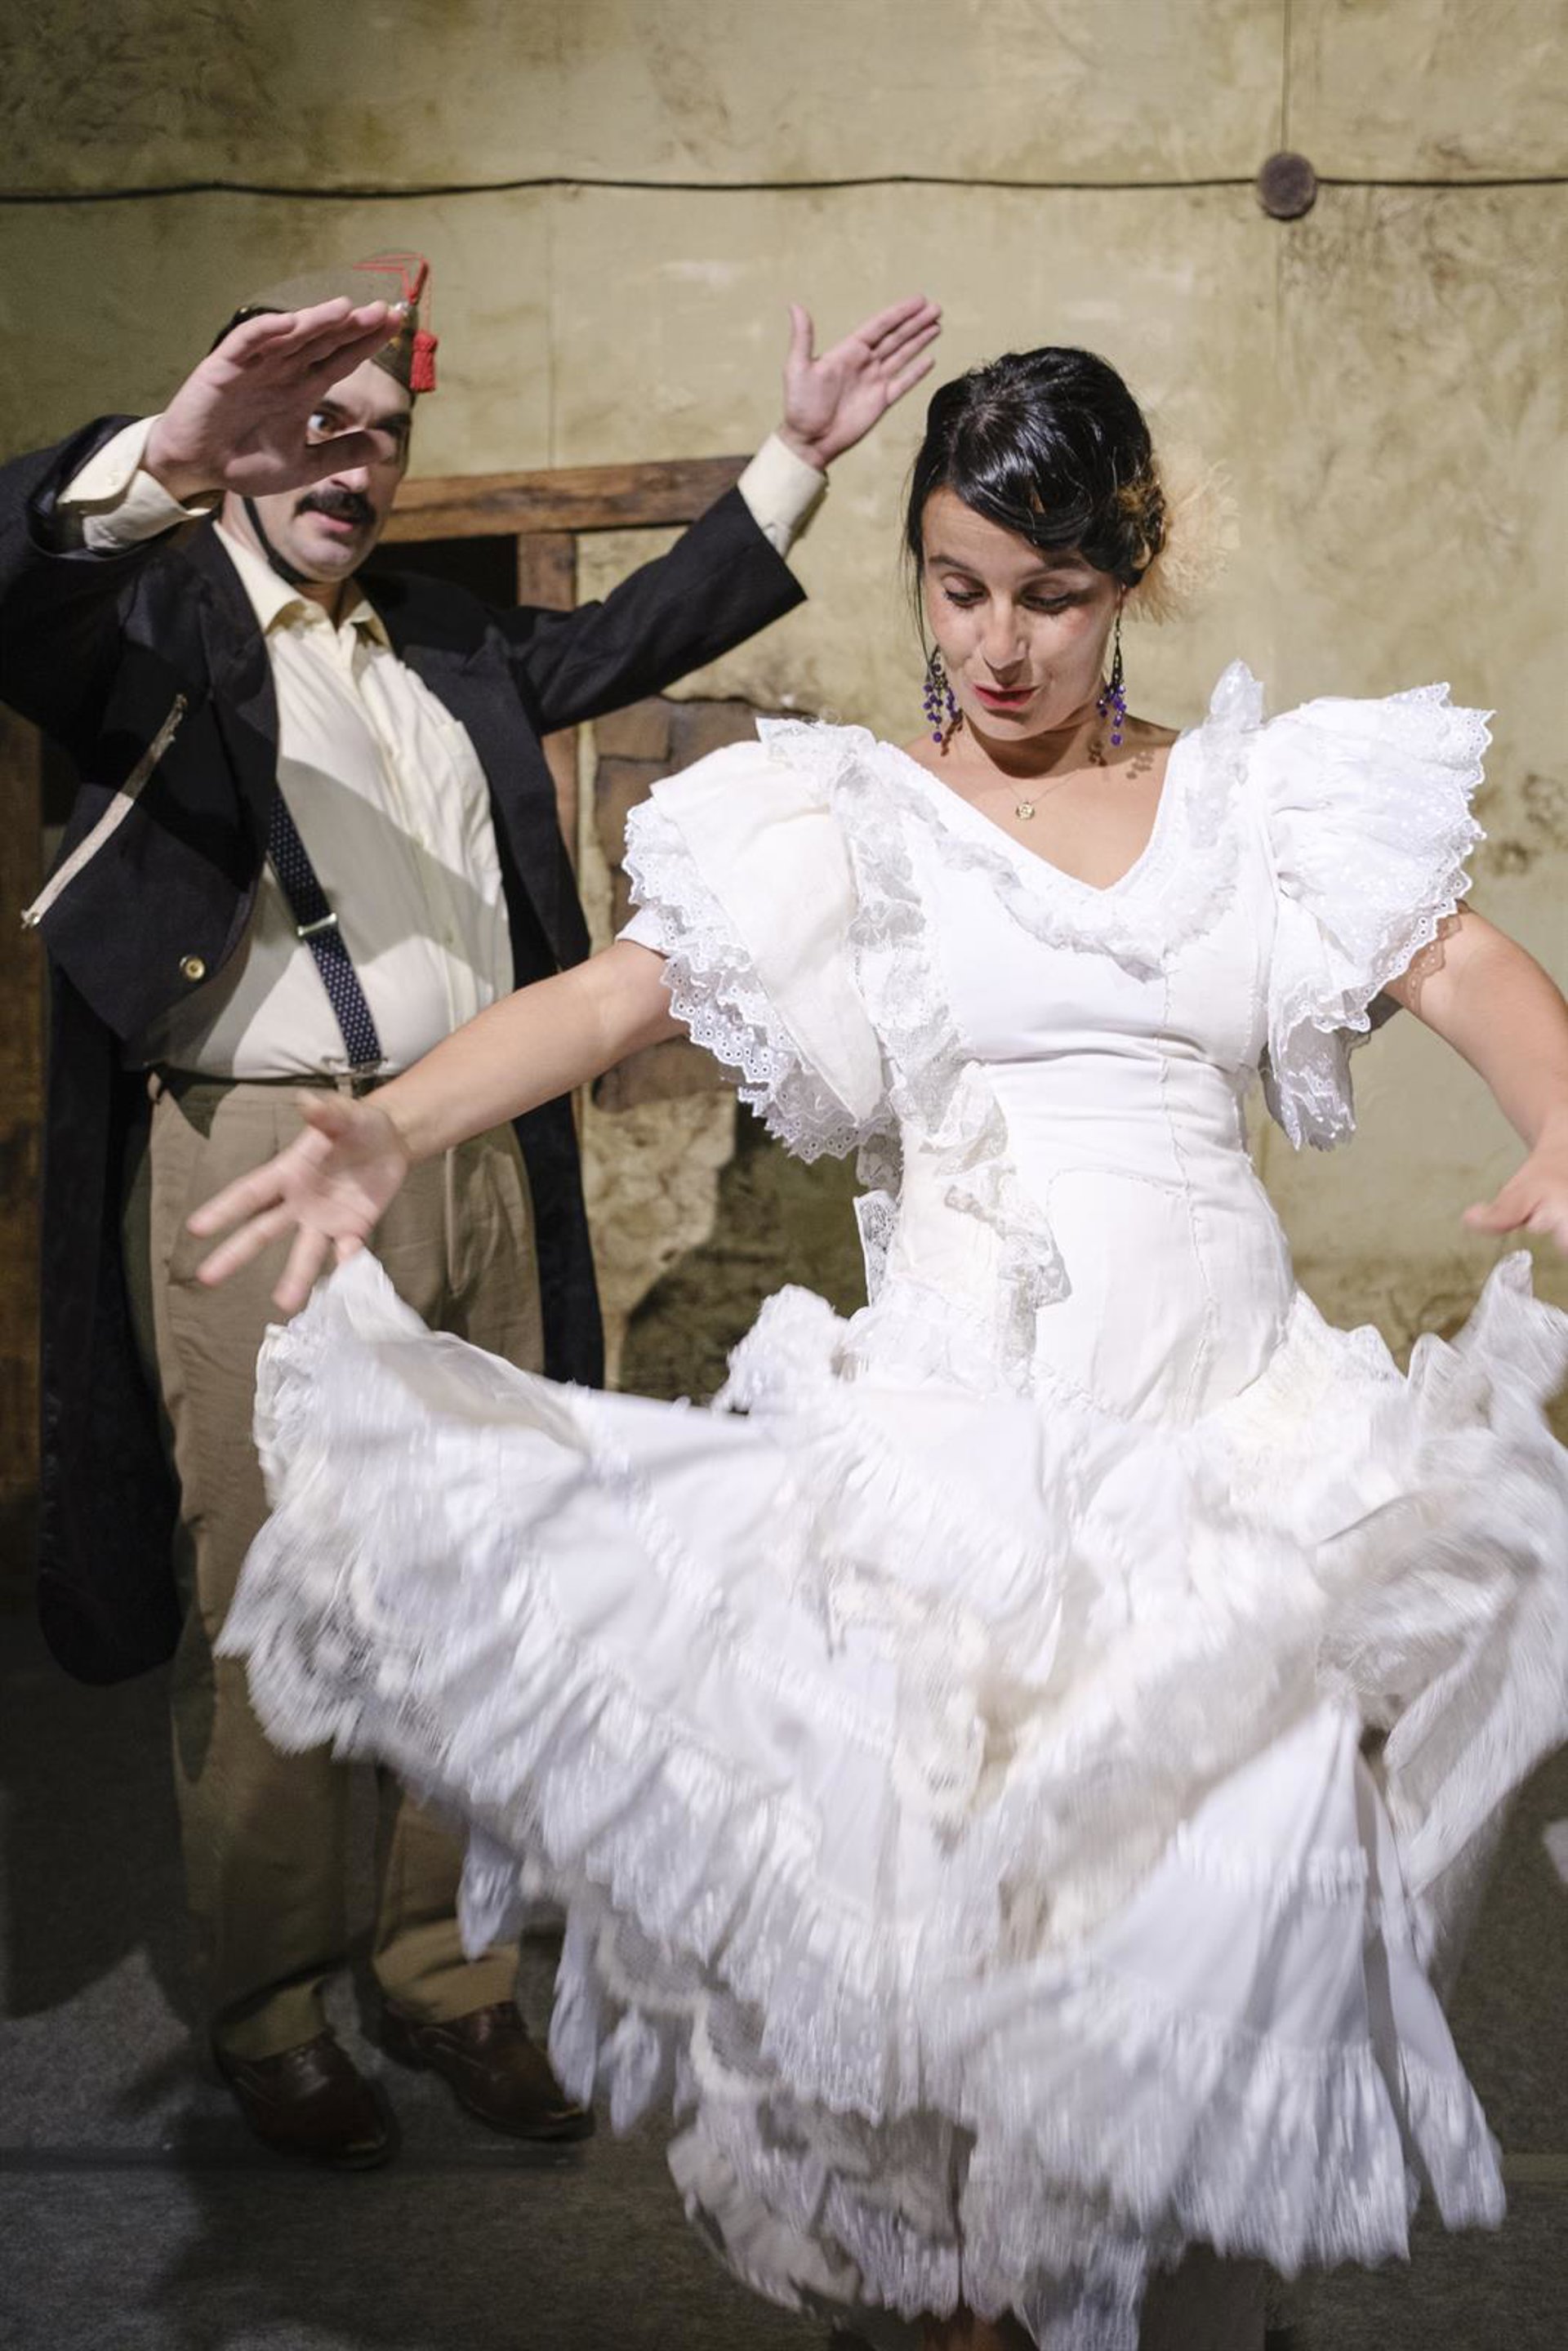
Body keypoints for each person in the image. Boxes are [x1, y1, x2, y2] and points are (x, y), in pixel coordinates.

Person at [191, 346, 1568, 2347]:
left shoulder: (1258, 805)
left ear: (1133, 572)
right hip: (951, 1481)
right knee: (943, 2038)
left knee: (1177, 2008)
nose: (998, 644)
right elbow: (621, 996)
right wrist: (395, 1126)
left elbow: (1465, 963)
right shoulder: (848, 820)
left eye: (1051, 596)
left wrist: (1563, 1107)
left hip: (1226, 1467)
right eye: (957, 586)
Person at [0, 254, 941, 2167]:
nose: (353, 466)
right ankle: (276, 2007)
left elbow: (639, 632)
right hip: (262, 1161)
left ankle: (448, 1972)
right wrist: (166, 449)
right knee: (282, 1598)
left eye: (384, 435)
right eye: (311, 429)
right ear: (240, 437)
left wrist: (795, 458)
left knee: (499, 1587)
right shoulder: (145, 621)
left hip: (475, 1154)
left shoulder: (440, 640)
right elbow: (26, 580)